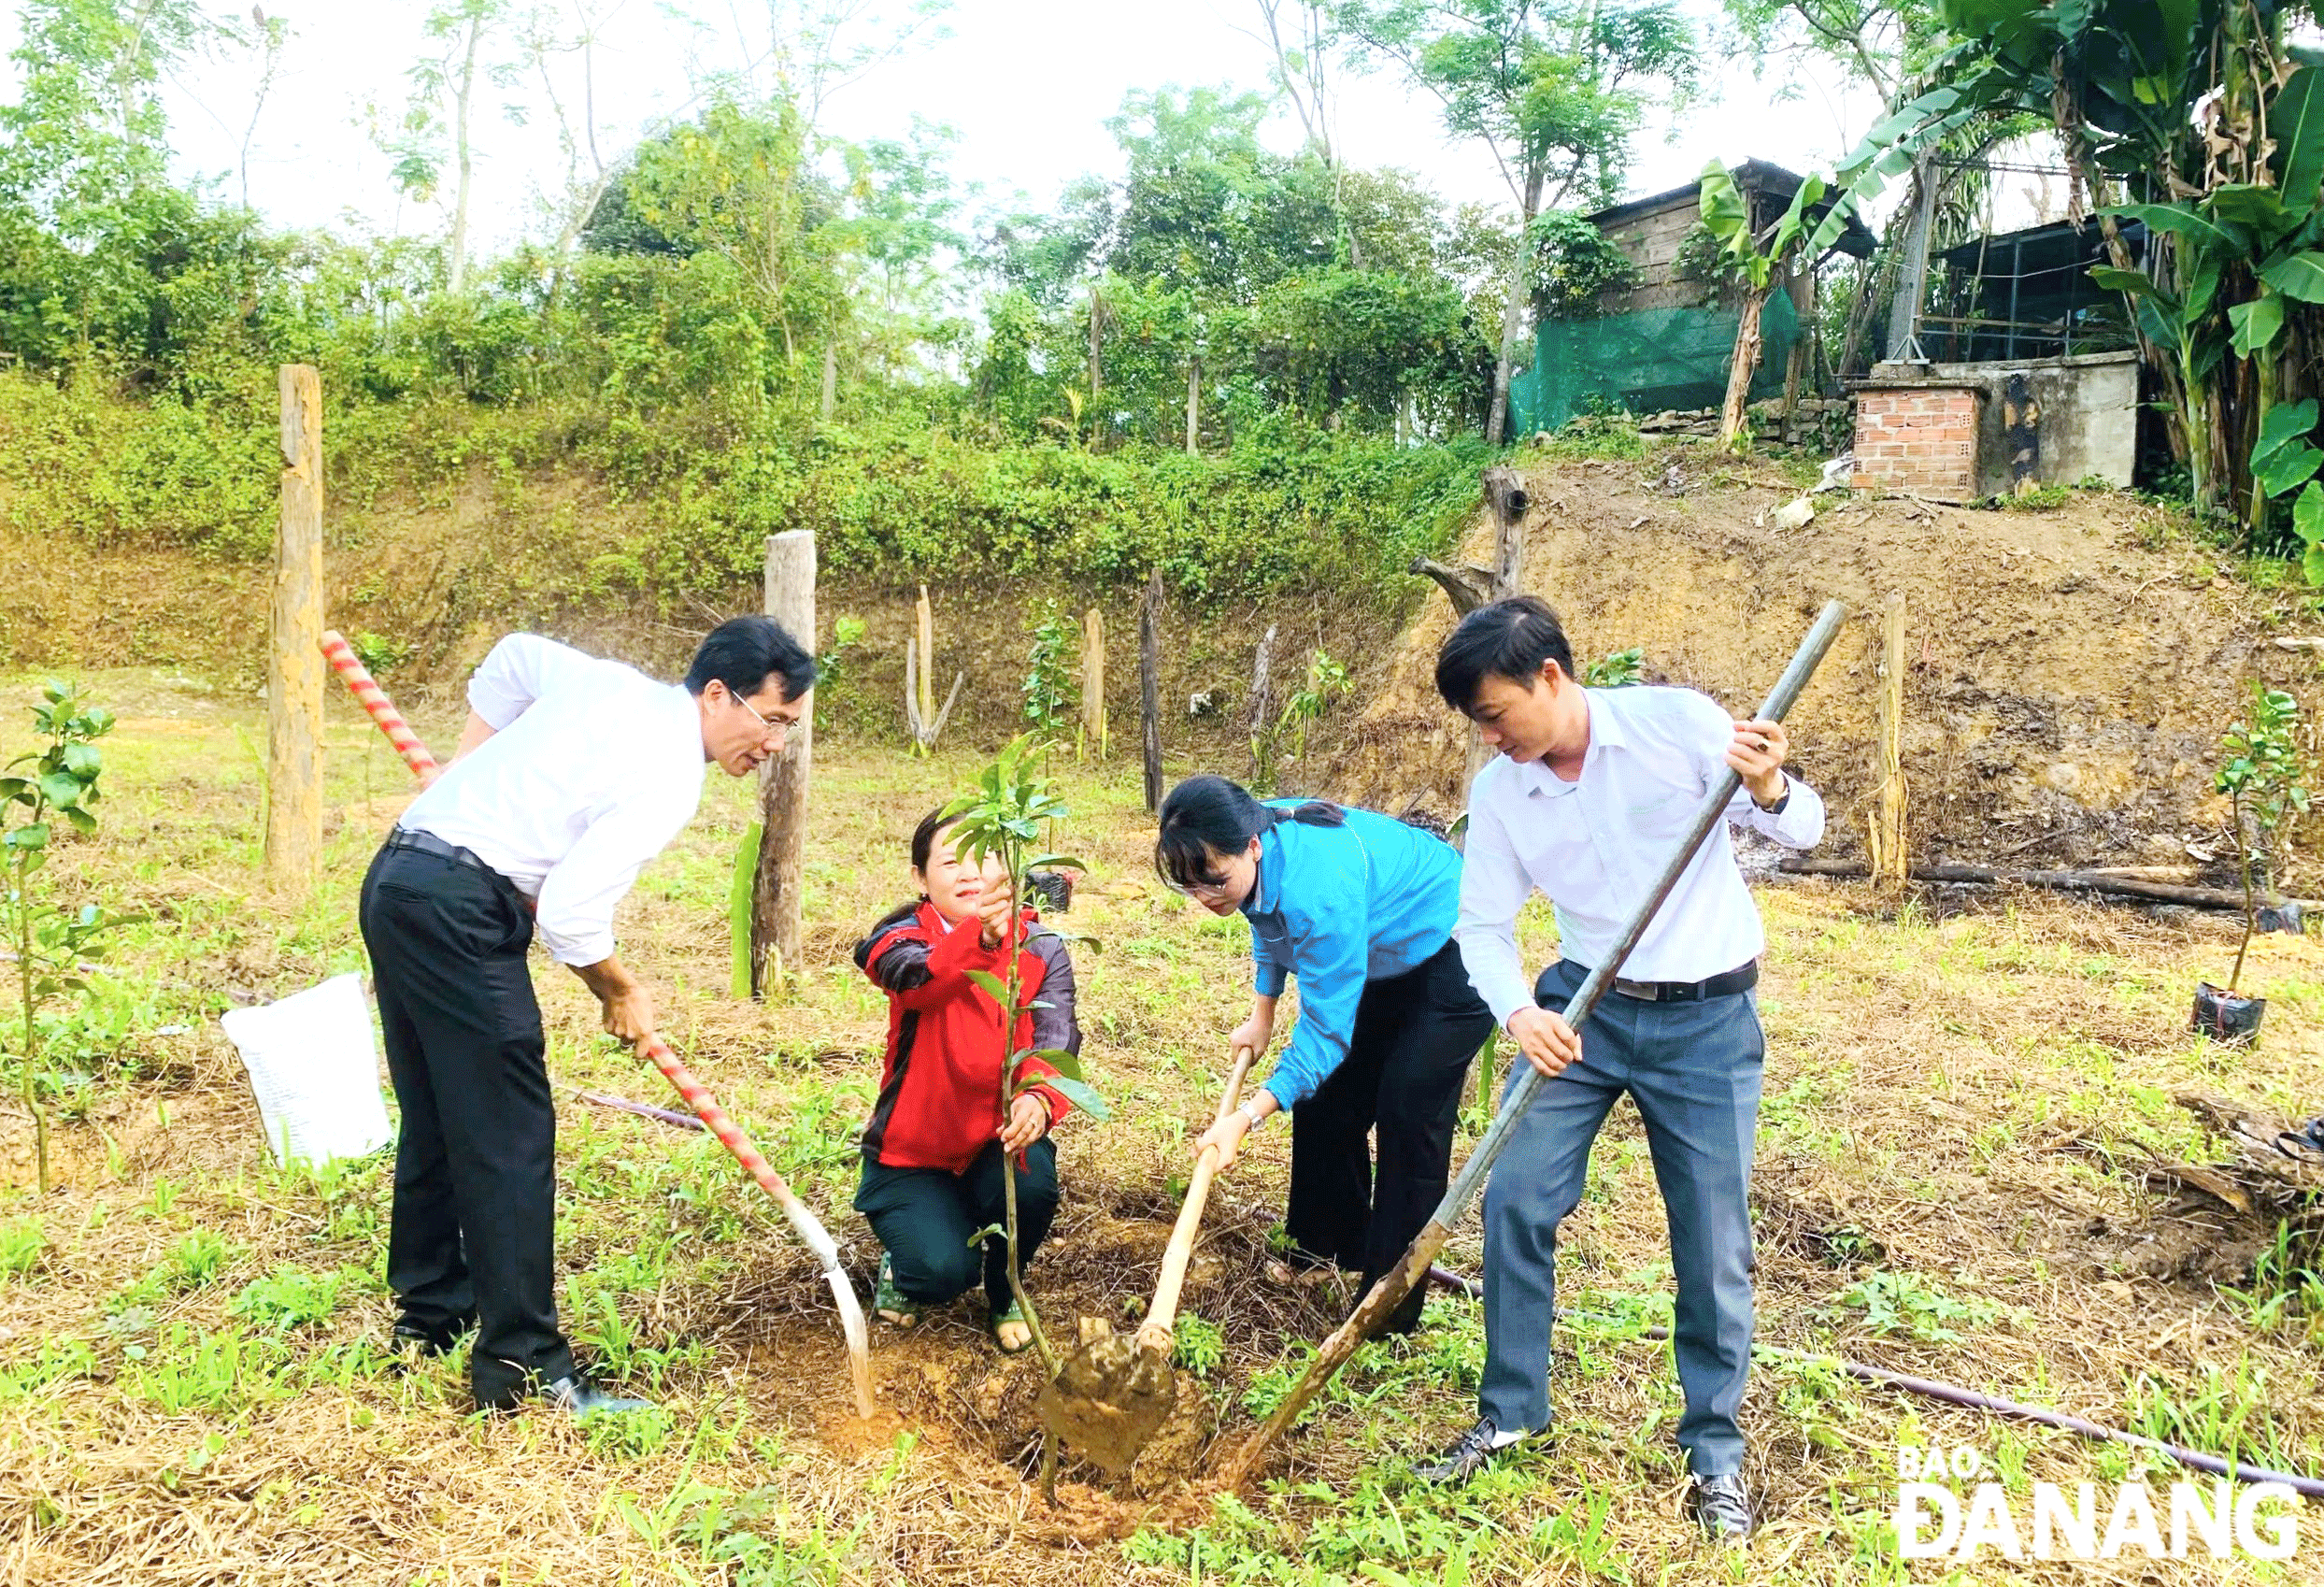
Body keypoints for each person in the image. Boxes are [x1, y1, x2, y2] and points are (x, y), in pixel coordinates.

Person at [1419, 595, 1823, 1545]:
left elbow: (1801, 829)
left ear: (1549, 679)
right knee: (1513, 1195)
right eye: (1476, 725)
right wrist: (1521, 1013)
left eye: (1495, 715)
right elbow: (1480, 926)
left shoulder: (1674, 724)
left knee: (1711, 1238)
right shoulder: (1504, 792)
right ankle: (1512, 1409)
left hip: (1706, 1017)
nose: (1489, 739)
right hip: (1579, 1011)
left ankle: (1714, 1453)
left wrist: (1769, 790)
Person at [358, 618, 814, 1418]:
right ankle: (524, 1368)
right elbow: (569, 913)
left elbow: (511, 658)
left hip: (400, 882)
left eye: (788, 727)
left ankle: (432, 1318)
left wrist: (462, 769)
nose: (775, 743)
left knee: (438, 1116)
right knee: (507, 1137)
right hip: (461, 910)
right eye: (772, 719)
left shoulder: (607, 683)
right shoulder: (670, 775)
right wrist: (617, 989)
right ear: (716, 694)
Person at [1162, 776, 1496, 1337]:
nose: (1205, 897)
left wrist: (1246, 1118)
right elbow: (1265, 919)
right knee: (1326, 1098)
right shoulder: (1248, 835)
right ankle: (1325, 1249)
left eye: (1213, 882)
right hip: (1380, 946)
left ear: (1252, 848)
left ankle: (1386, 1308)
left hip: (1455, 948)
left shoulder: (1320, 886)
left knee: (1407, 1108)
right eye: (1190, 887)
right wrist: (1262, 1011)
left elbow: (1325, 1033)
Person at [852, 810, 1080, 1354]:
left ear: (1010, 868)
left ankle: (1006, 1291)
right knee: (941, 1272)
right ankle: (906, 1266)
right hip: (913, 1152)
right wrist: (980, 938)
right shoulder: (898, 939)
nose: (969, 873)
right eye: (950, 861)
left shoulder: (1042, 946)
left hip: (991, 1141)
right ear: (920, 878)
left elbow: (1057, 1035)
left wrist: (1039, 1098)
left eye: (984, 857)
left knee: (1031, 1186)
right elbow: (917, 980)